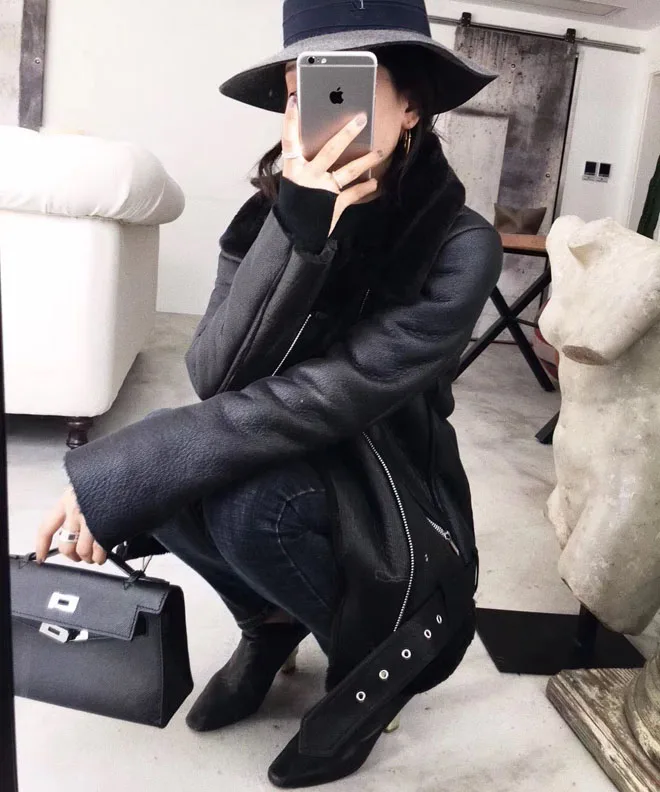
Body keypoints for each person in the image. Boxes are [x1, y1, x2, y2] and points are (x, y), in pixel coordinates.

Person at [36, 0, 502, 787]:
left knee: (240, 502)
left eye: (347, 85)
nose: (318, 110)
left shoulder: (461, 244)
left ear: (411, 106)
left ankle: (364, 661)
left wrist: (131, 464)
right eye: (300, 92)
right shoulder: (267, 220)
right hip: (281, 441)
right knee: (176, 485)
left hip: (388, 484)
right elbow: (215, 376)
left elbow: (334, 397)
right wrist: (299, 229)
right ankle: (270, 619)